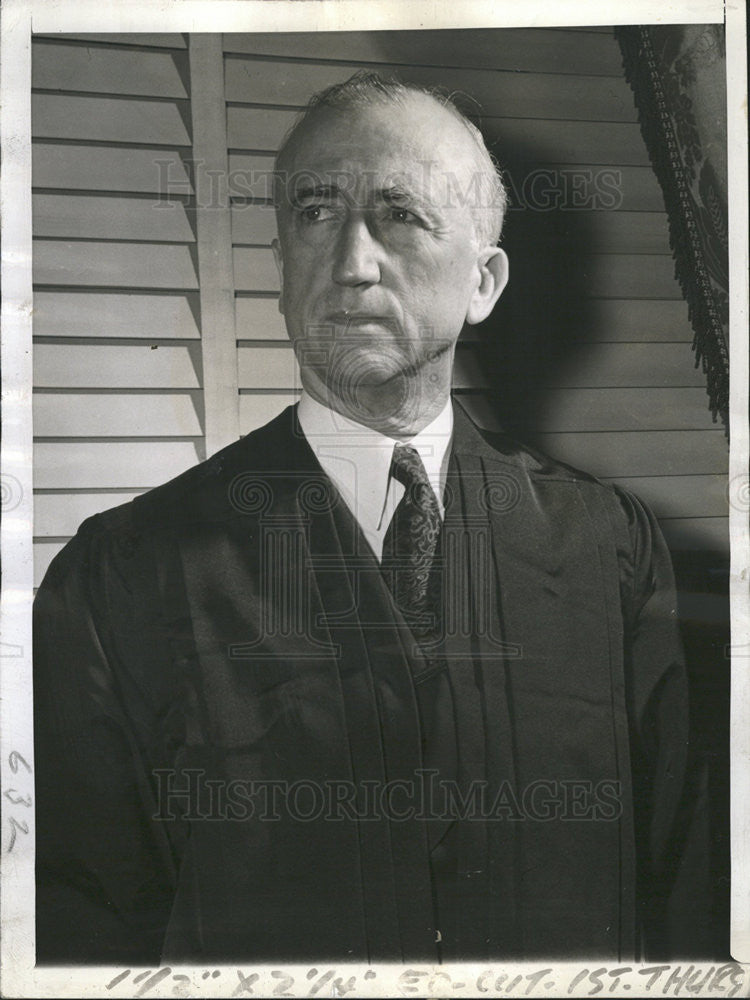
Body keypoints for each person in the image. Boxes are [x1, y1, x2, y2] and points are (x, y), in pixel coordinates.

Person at [34, 72, 695, 965]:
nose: (349, 261)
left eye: (400, 214)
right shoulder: (122, 574)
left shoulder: (611, 548)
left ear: (484, 282)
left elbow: (684, 889)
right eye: (313, 212)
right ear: (280, 266)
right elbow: (83, 930)